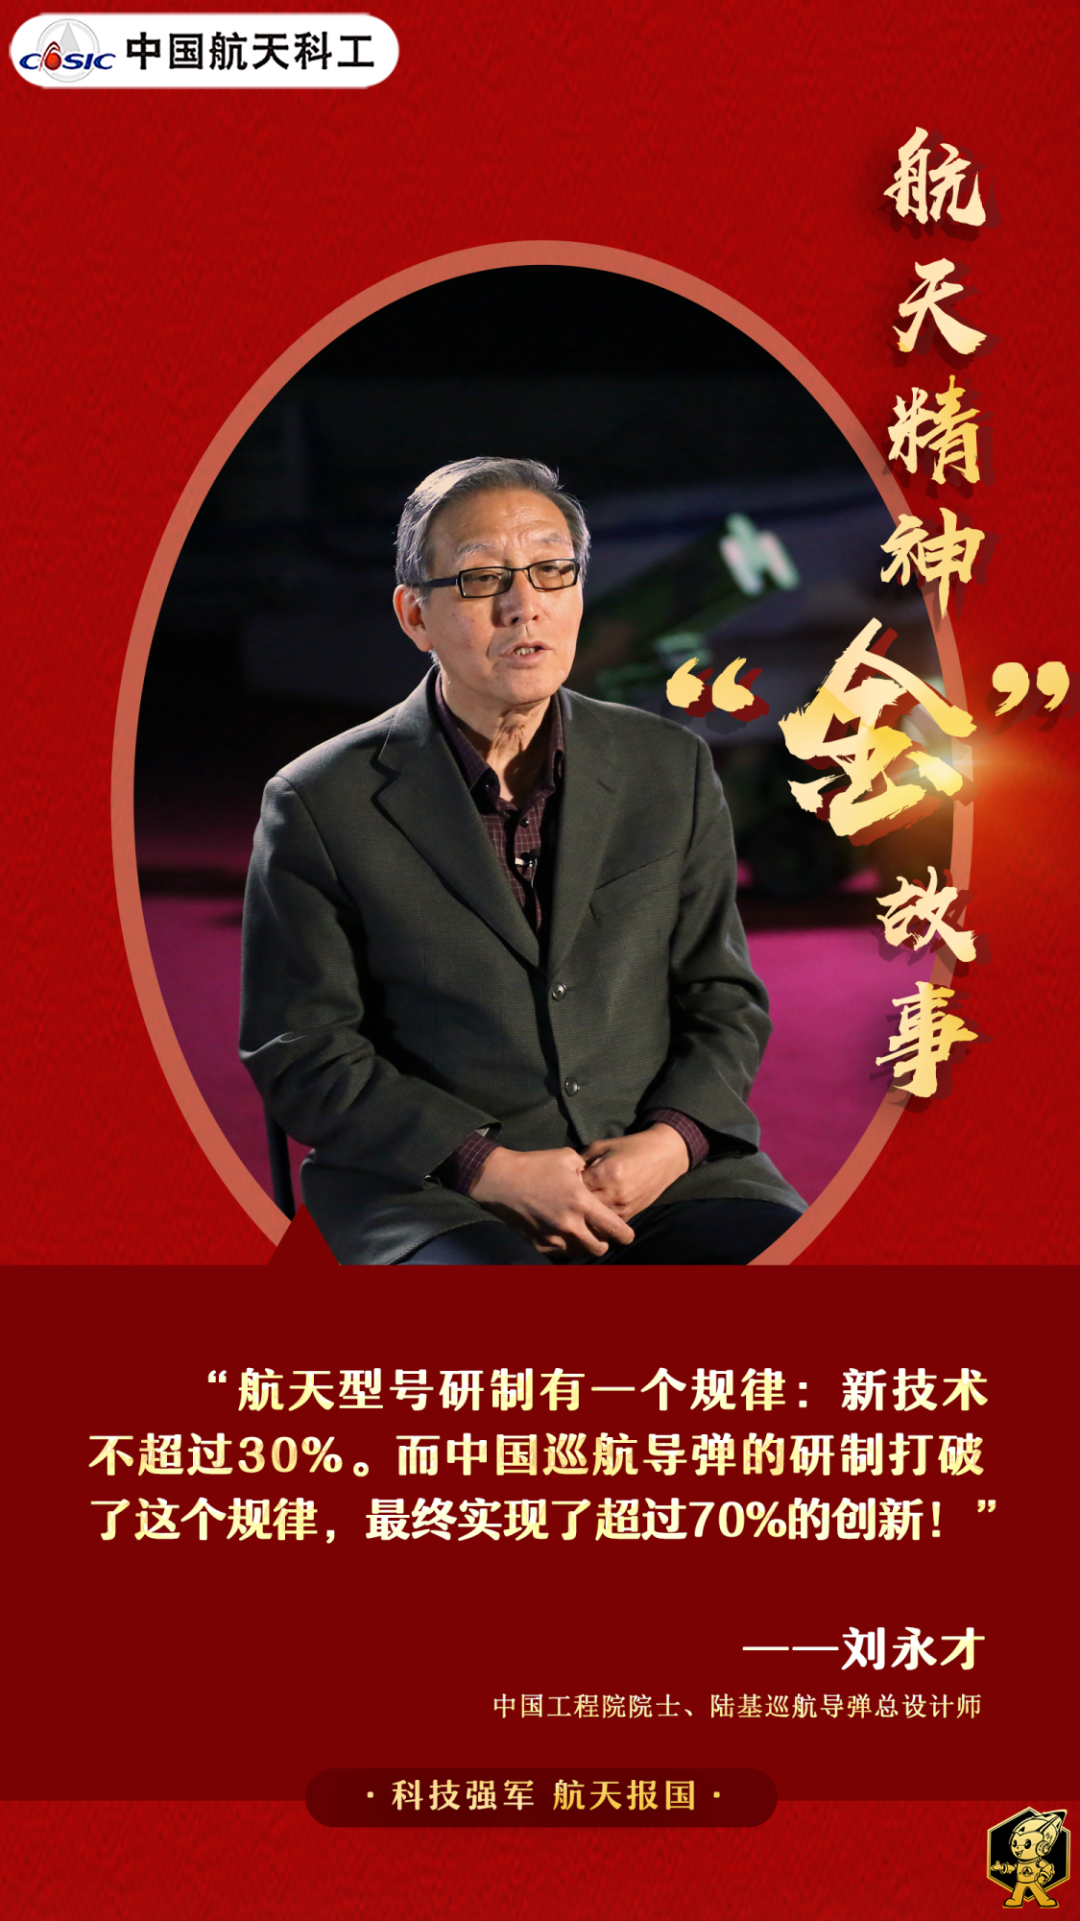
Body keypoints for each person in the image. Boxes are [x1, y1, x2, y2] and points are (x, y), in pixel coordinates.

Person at [240, 457, 806, 1264]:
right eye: (480, 580)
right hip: (432, 1192)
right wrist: (487, 1166)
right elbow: (301, 1049)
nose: (523, 604)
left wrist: (673, 1141)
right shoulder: (319, 800)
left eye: (551, 569)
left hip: (664, 1176)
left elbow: (723, 997)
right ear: (415, 615)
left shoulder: (669, 766)